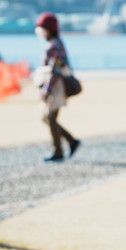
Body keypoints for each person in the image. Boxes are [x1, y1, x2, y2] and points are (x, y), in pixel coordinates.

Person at [34, 12, 80, 162]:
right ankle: (70, 142)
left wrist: (46, 90)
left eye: (42, 28)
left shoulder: (55, 45)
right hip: (54, 85)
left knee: (49, 117)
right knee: (48, 117)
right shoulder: (56, 43)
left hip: (56, 87)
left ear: (49, 29)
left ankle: (60, 150)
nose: (39, 31)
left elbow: (55, 70)